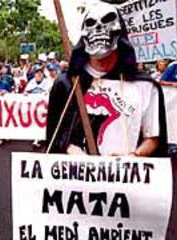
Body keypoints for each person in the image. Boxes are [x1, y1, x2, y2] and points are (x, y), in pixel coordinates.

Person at [46, 2, 167, 157]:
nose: (98, 29)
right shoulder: (66, 83)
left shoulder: (144, 86)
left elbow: (153, 138)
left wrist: (133, 157)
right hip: (74, 176)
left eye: (106, 21)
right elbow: (54, 133)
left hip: (122, 177)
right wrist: (69, 148)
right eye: (91, 24)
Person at [25, 65, 52, 148]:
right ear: (34, 74)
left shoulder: (47, 82)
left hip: (44, 108)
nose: (39, 74)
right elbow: (26, 91)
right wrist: (25, 93)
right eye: (37, 73)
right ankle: (36, 138)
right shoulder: (32, 82)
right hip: (34, 107)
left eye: (40, 73)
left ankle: (41, 138)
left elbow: (50, 92)